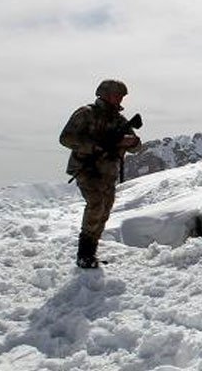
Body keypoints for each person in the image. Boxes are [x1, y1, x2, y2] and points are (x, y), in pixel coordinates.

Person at [59, 79, 142, 268]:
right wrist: (94, 145)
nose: (120, 98)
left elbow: (137, 147)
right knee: (96, 205)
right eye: (117, 94)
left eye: (121, 96)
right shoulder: (86, 114)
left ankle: (91, 253)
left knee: (105, 209)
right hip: (87, 169)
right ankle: (84, 254)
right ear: (104, 94)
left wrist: (131, 142)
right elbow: (65, 138)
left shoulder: (119, 121)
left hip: (107, 172)